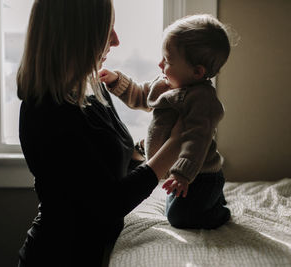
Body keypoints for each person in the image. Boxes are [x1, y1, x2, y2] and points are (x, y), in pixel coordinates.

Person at [16, 0, 182, 266]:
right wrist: (176, 144)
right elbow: (108, 204)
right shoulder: (46, 111)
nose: (115, 41)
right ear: (77, 36)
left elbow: (115, 160)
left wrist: (162, 131)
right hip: (60, 255)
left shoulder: (91, 86)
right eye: (107, 31)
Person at [99, 14, 231, 230]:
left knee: (178, 218)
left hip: (199, 175)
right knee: (175, 207)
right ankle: (213, 199)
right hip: (179, 173)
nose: (160, 64)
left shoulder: (203, 100)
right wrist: (116, 81)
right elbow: (141, 96)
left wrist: (182, 173)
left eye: (168, 60)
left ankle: (219, 212)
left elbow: (196, 140)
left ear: (197, 71)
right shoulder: (165, 84)